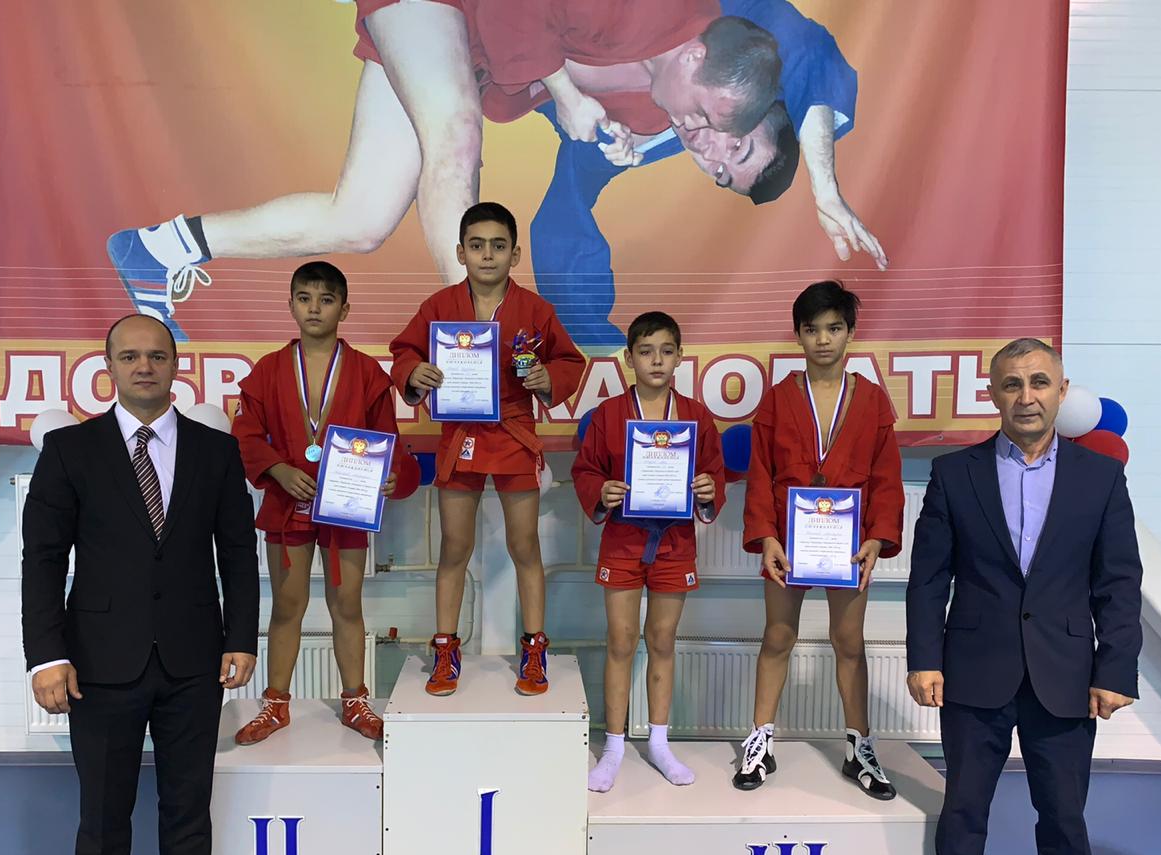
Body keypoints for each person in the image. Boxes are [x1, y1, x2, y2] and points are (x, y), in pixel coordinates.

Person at [106, 1, 781, 340]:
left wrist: (600, 127)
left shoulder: (665, 108)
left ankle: (156, 249)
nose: (706, 141)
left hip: (462, 41)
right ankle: (477, 340)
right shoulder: (662, 11)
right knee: (454, 137)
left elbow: (549, 89)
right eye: (717, 124)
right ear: (699, 59)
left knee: (361, 216)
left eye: (723, 164)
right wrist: (568, 93)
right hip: (450, 10)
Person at [22, 313, 259, 855]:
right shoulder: (70, 451)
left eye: (156, 355)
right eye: (129, 357)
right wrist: (46, 656)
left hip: (194, 659)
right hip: (98, 662)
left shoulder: (215, 451)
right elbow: (42, 560)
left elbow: (238, 553)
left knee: (188, 803)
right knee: (103, 812)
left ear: (176, 365)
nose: (144, 367)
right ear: (109, 369)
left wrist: (241, 637)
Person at [906, 337, 1143, 855]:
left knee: (1063, 815)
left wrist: (1116, 668)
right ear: (992, 394)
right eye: (1012, 384)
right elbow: (929, 577)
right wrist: (924, 659)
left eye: (1039, 382)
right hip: (973, 670)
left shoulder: (1100, 477)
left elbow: (1119, 582)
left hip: (1065, 674)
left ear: (1061, 392)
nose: (1026, 396)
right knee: (964, 808)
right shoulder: (954, 473)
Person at [530, 0, 885, 351]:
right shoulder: (729, 32)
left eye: (719, 173)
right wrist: (825, 188)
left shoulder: (636, 142)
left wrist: (600, 356)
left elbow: (563, 214)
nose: (710, 153)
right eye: (737, 144)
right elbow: (809, 52)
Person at [389, 202, 584, 695]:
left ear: (515, 254)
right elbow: (405, 351)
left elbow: (568, 361)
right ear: (461, 252)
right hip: (460, 435)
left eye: (499, 246)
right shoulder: (438, 306)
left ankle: (534, 648)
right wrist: (413, 372)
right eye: (477, 246)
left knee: (525, 545)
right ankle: (445, 648)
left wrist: (546, 379)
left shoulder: (535, 310)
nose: (488, 255)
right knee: (455, 546)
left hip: (514, 434)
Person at [229, 261, 419, 745]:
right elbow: (245, 434)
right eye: (305, 298)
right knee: (286, 606)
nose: (315, 308)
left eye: (327, 299)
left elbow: (388, 440)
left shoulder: (367, 372)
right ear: (291, 304)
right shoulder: (269, 370)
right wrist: (278, 469)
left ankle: (355, 701)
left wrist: (391, 475)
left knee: (347, 604)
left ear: (345, 309)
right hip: (288, 503)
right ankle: (275, 705)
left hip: (345, 508)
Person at [736, 280, 904, 797]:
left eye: (834, 328)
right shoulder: (778, 398)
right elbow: (760, 473)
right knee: (777, 636)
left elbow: (887, 476)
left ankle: (859, 746)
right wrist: (766, 536)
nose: (823, 340)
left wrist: (878, 537)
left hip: (848, 544)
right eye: (812, 330)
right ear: (798, 335)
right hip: (789, 541)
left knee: (849, 642)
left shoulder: (872, 400)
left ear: (850, 332)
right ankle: (760, 740)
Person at [572, 311, 725, 791]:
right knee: (620, 640)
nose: (656, 360)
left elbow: (715, 472)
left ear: (680, 357)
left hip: (674, 543)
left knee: (661, 639)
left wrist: (707, 490)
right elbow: (586, 470)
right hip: (623, 539)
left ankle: (659, 741)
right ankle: (614, 745)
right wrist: (602, 491)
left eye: (665, 351)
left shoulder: (697, 416)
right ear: (628, 358)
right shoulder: (609, 414)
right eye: (645, 351)